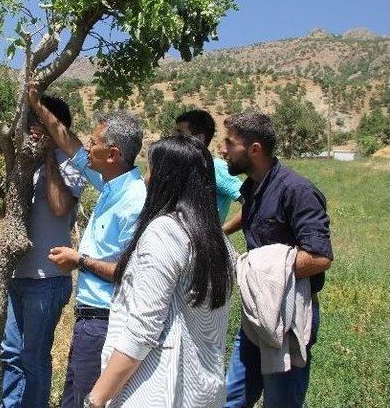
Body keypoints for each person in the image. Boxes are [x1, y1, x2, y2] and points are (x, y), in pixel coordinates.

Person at [85, 135, 234, 408]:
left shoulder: (166, 232)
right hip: (202, 390)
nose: (145, 179)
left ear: (168, 177)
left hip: (156, 390)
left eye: (151, 170)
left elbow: (142, 330)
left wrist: (95, 399)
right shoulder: (220, 242)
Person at [28, 84, 146, 408]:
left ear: (113, 155)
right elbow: (69, 142)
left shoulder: (134, 201)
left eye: (94, 143)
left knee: (88, 401)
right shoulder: (109, 184)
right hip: (89, 320)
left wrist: (78, 260)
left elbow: (127, 272)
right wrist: (38, 106)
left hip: (104, 321)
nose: (87, 147)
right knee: (73, 399)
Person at [220, 112, 333, 408]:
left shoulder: (297, 190)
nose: (222, 150)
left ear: (254, 149)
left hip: (289, 314)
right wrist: (221, 232)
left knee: (280, 401)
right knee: (232, 397)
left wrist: (260, 267)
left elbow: (320, 258)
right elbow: (252, 213)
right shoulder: (253, 187)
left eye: (230, 144)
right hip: (255, 312)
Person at [0, 95, 86, 408]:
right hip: (17, 274)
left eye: (41, 125)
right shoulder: (23, 163)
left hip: (47, 278)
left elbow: (61, 206)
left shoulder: (71, 165)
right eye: (31, 125)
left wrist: (49, 155)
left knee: (33, 357)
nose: (33, 131)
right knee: (10, 354)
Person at [173, 109, 243, 223]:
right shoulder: (181, 169)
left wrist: (223, 231)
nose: (173, 138)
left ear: (199, 139)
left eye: (180, 134)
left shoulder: (215, 168)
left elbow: (250, 202)